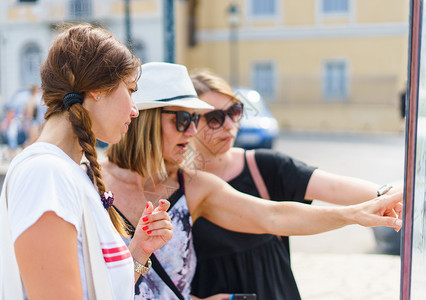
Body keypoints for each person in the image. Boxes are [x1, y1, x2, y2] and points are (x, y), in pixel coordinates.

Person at [101, 62, 403, 300]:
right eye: (184, 120)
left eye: (196, 120)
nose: (193, 132)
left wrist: (354, 214)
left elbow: (273, 215)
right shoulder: (93, 180)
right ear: (148, 121)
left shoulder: (193, 185)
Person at [188, 69, 403, 299]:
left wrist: (385, 196)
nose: (230, 125)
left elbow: (332, 187)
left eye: (235, 111)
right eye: (215, 119)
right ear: (188, 122)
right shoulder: (175, 184)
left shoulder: (263, 166)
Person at [0, 24, 173, 299]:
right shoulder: (45, 175)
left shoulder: (66, 171)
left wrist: (139, 248)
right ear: (97, 89)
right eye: (130, 89)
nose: (135, 110)